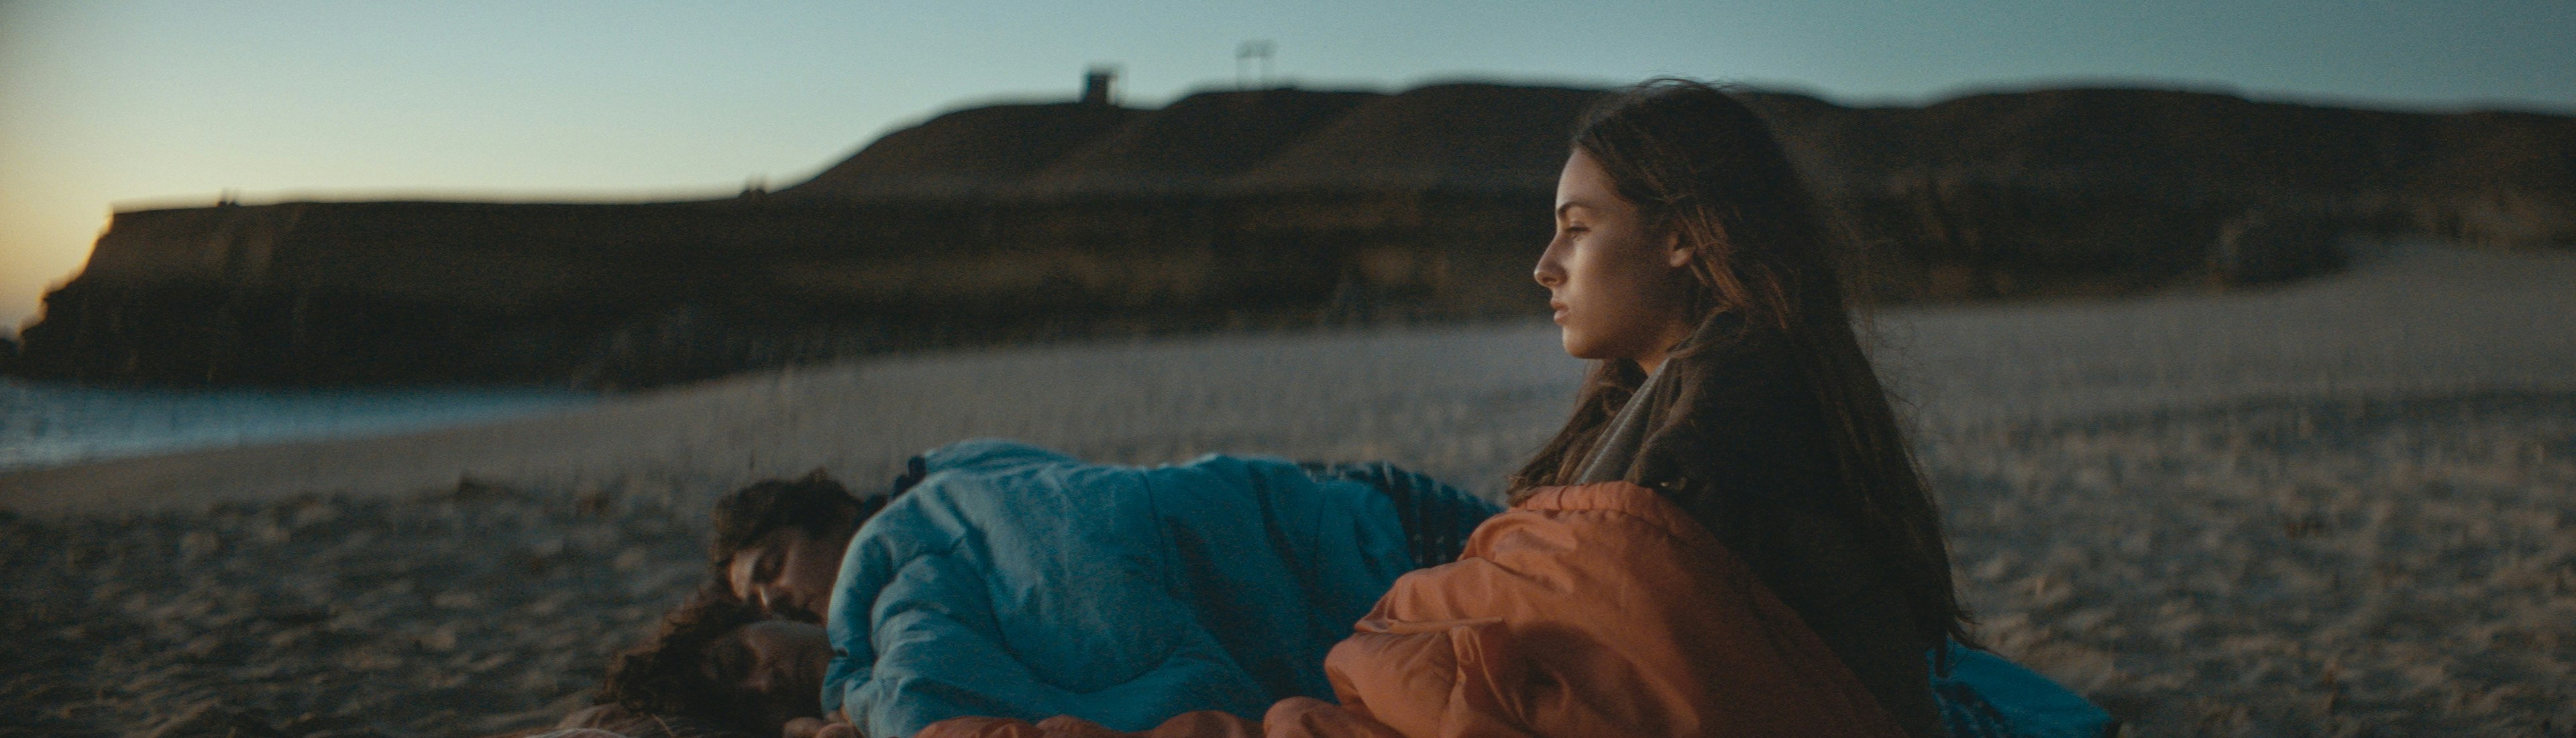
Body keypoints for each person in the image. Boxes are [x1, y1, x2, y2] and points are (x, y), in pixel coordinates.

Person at [907, 80, 2114, 738]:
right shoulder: (1692, 387)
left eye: (1577, 232)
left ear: (1690, 236)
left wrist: (1418, 627)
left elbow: (1625, 631)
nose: (1544, 267)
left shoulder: (1738, 401)